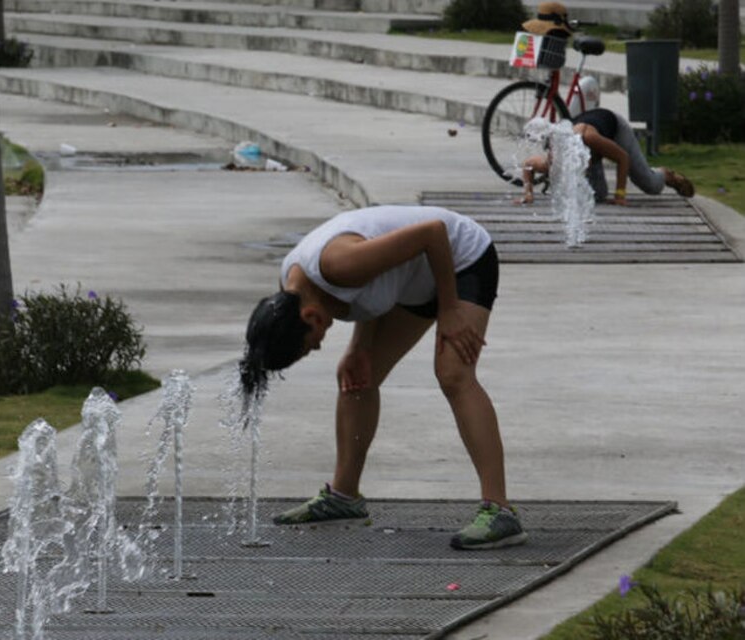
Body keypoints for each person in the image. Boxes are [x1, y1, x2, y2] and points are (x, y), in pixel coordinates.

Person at [240, 205, 527, 550]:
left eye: (307, 347)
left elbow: (432, 233)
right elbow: (372, 286)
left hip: (460, 257)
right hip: (415, 280)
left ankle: (500, 511)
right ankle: (343, 496)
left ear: (311, 316)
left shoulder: (338, 265)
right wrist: (359, 346)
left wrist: (449, 309)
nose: (315, 350)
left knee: (453, 373)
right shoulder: (291, 293)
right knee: (357, 375)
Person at [516, 107, 695, 205]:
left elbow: (623, 158)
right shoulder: (555, 159)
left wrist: (620, 195)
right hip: (591, 144)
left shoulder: (588, 139)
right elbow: (527, 165)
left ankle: (665, 174)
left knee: (649, 185)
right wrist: (528, 193)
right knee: (598, 195)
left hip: (613, 128)